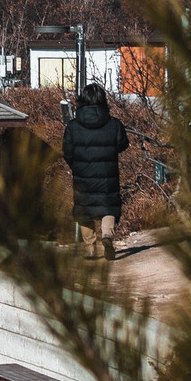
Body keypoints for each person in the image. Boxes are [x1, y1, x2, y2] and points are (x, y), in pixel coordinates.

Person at [61, 80, 129, 258]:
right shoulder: (114, 124)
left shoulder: (73, 127)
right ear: (103, 100)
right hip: (107, 176)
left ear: (82, 100)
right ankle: (107, 235)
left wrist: (76, 165)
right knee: (108, 207)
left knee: (85, 209)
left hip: (82, 175)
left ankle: (90, 248)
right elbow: (123, 144)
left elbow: (67, 151)